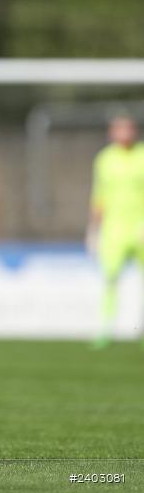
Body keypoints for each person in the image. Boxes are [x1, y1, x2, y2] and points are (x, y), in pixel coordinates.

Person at [88, 114, 144, 349]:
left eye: (128, 129)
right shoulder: (105, 159)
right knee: (110, 279)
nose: (124, 134)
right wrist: (93, 229)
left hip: (141, 226)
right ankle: (105, 329)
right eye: (119, 130)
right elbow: (99, 196)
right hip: (114, 229)